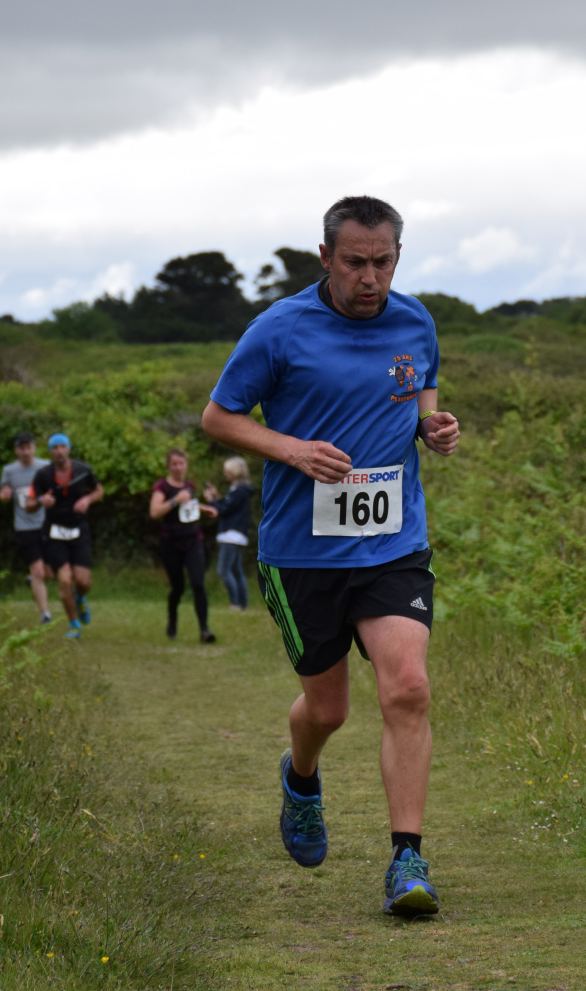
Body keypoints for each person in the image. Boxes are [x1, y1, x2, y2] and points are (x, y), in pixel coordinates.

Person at [201, 195, 460, 916]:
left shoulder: (416, 321)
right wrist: (291, 449)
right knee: (329, 708)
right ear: (325, 258)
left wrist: (434, 429)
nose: (369, 278)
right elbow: (217, 417)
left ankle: (407, 860)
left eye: (383, 262)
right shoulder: (278, 329)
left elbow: (421, 402)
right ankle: (301, 777)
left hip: (392, 544)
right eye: (354, 263)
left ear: (397, 258)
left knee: (407, 687)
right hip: (302, 554)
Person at [29, 433, 103, 639]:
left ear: (68, 449)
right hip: (54, 532)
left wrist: (87, 500)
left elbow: (99, 491)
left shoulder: (82, 470)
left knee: (83, 581)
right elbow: (29, 503)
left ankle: (80, 598)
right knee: (64, 580)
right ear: (50, 452)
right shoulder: (43, 475)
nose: (59, 451)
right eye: (55, 448)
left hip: (78, 529)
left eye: (62, 447)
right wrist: (41, 501)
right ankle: (74, 624)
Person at [148, 448, 218, 643]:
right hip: (171, 543)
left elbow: (189, 505)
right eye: (174, 464)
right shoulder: (162, 487)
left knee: (198, 583)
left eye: (181, 463)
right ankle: (172, 620)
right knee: (177, 587)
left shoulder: (189, 486)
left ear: (186, 465)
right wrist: (174, 500)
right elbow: (154, 512)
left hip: (193, 540)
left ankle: (205, 630)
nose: (178, 467)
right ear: (168, 466)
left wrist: (205, 509)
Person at [0, 431, 53, 624]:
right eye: (22, 448)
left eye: (28, 447)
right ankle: (45, 614)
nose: (26, 451)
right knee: (38, 571)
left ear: (34, 447)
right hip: (24, 527)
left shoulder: (45, 466)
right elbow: (3, 493)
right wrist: (4, 495)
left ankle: (33, 581)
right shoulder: (9, 471)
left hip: (47, 523)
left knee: (49, 572)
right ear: (16, 450)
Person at [214, 456, 255, 611]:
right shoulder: (238, 490)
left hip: (232, 535)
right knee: (237, 571)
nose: (225, 473)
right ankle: (243, 604)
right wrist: (217, 498)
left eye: (227, 470)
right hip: (236, 535)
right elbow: (228, 505)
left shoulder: (240, 491)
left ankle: (235, 603)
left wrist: (212, 502)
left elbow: (225, 510)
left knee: (224, 570)